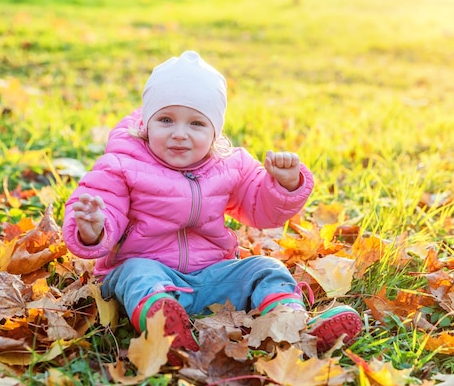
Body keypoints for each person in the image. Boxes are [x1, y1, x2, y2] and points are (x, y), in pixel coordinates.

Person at [62, 50, 361, 363]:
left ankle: (293, 323)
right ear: (146, 123)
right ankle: (162, 325)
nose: (180, 133)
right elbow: (105, 205)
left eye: (196, 123)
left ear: (214, 131)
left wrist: (284, 185)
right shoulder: (122, 165)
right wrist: (93, 227)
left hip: (210, 279)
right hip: (144, 277)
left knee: (266, 268)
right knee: (138, 271)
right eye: (165, 120)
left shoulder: (229, 166)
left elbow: (261, 209)